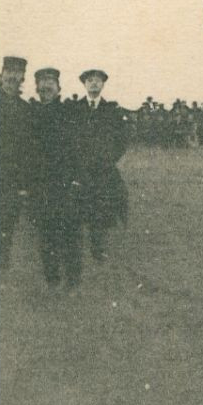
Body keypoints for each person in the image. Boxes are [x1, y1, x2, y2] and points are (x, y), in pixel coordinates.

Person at [29, 67, 84, 291]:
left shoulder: (68, 113)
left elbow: (80, 148)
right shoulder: (31, 113)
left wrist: (76, 179)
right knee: (46, 234)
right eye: (42, 82)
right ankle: (52, 280)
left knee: (69, 232)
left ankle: (72, 280)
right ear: (37, 88)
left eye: (50, 82)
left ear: (58, 87)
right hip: (40, 184)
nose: (45, 87)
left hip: (65, 184)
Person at [76, 70, 129, 262]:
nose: (94, 84)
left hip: (103, 170)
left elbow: (122, 140)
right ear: (84, 84)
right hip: (80, 169)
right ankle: (76, 249)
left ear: (103, 85)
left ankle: (98, 249)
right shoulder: (76, 108)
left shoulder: (111, 110)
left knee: (101, 209)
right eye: (90, 81)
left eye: (98, 81)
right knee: (79, 208)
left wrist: (109, 159)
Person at [0, 55, 32, 272]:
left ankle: (1, 263)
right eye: (9, 72)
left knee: (5, 221)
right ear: (1, 74)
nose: (13, 76)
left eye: (17, 73)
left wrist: (24, 183)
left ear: (22, 78)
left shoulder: (25, 109)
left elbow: (28, 150)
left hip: (12, 178)